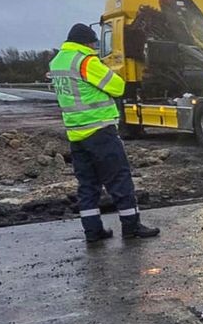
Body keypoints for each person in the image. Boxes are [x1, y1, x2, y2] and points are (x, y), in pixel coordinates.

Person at [48, 23, 159, 242]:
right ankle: (131, 226)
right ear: (87, 42)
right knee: (119, 179)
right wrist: (107, 70)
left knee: (88, 185)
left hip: (76, 134)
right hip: (99, 130)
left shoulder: (57, 61)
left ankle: (93, 231)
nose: (95, 47)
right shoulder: (85, 61)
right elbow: (117, 87)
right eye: (93, 43)